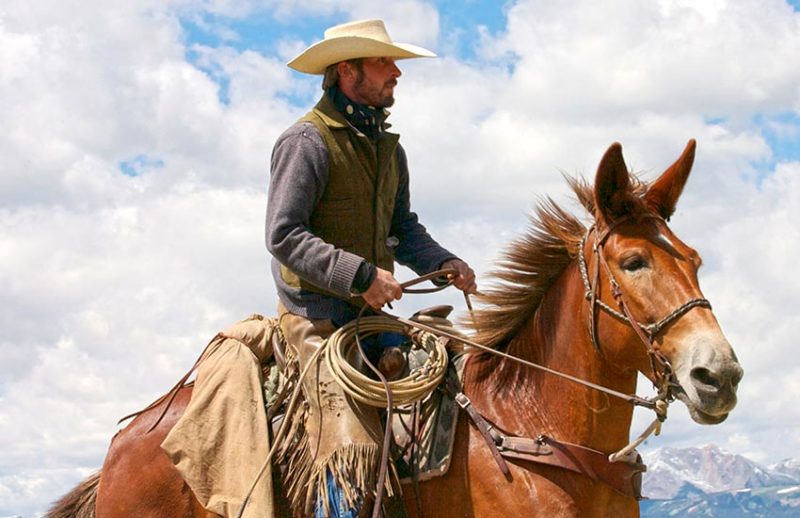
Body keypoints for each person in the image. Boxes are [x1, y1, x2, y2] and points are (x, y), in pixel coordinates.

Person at [266, 18, 477, 517]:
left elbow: (401, 228)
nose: (396, 73)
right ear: (347, 70)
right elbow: (283, 235)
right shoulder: (306, 142)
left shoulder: (389, 148)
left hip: (373, 320)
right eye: (384, 62)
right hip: (317, 317)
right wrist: (361, 276)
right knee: (350, 456)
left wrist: (443, 262)